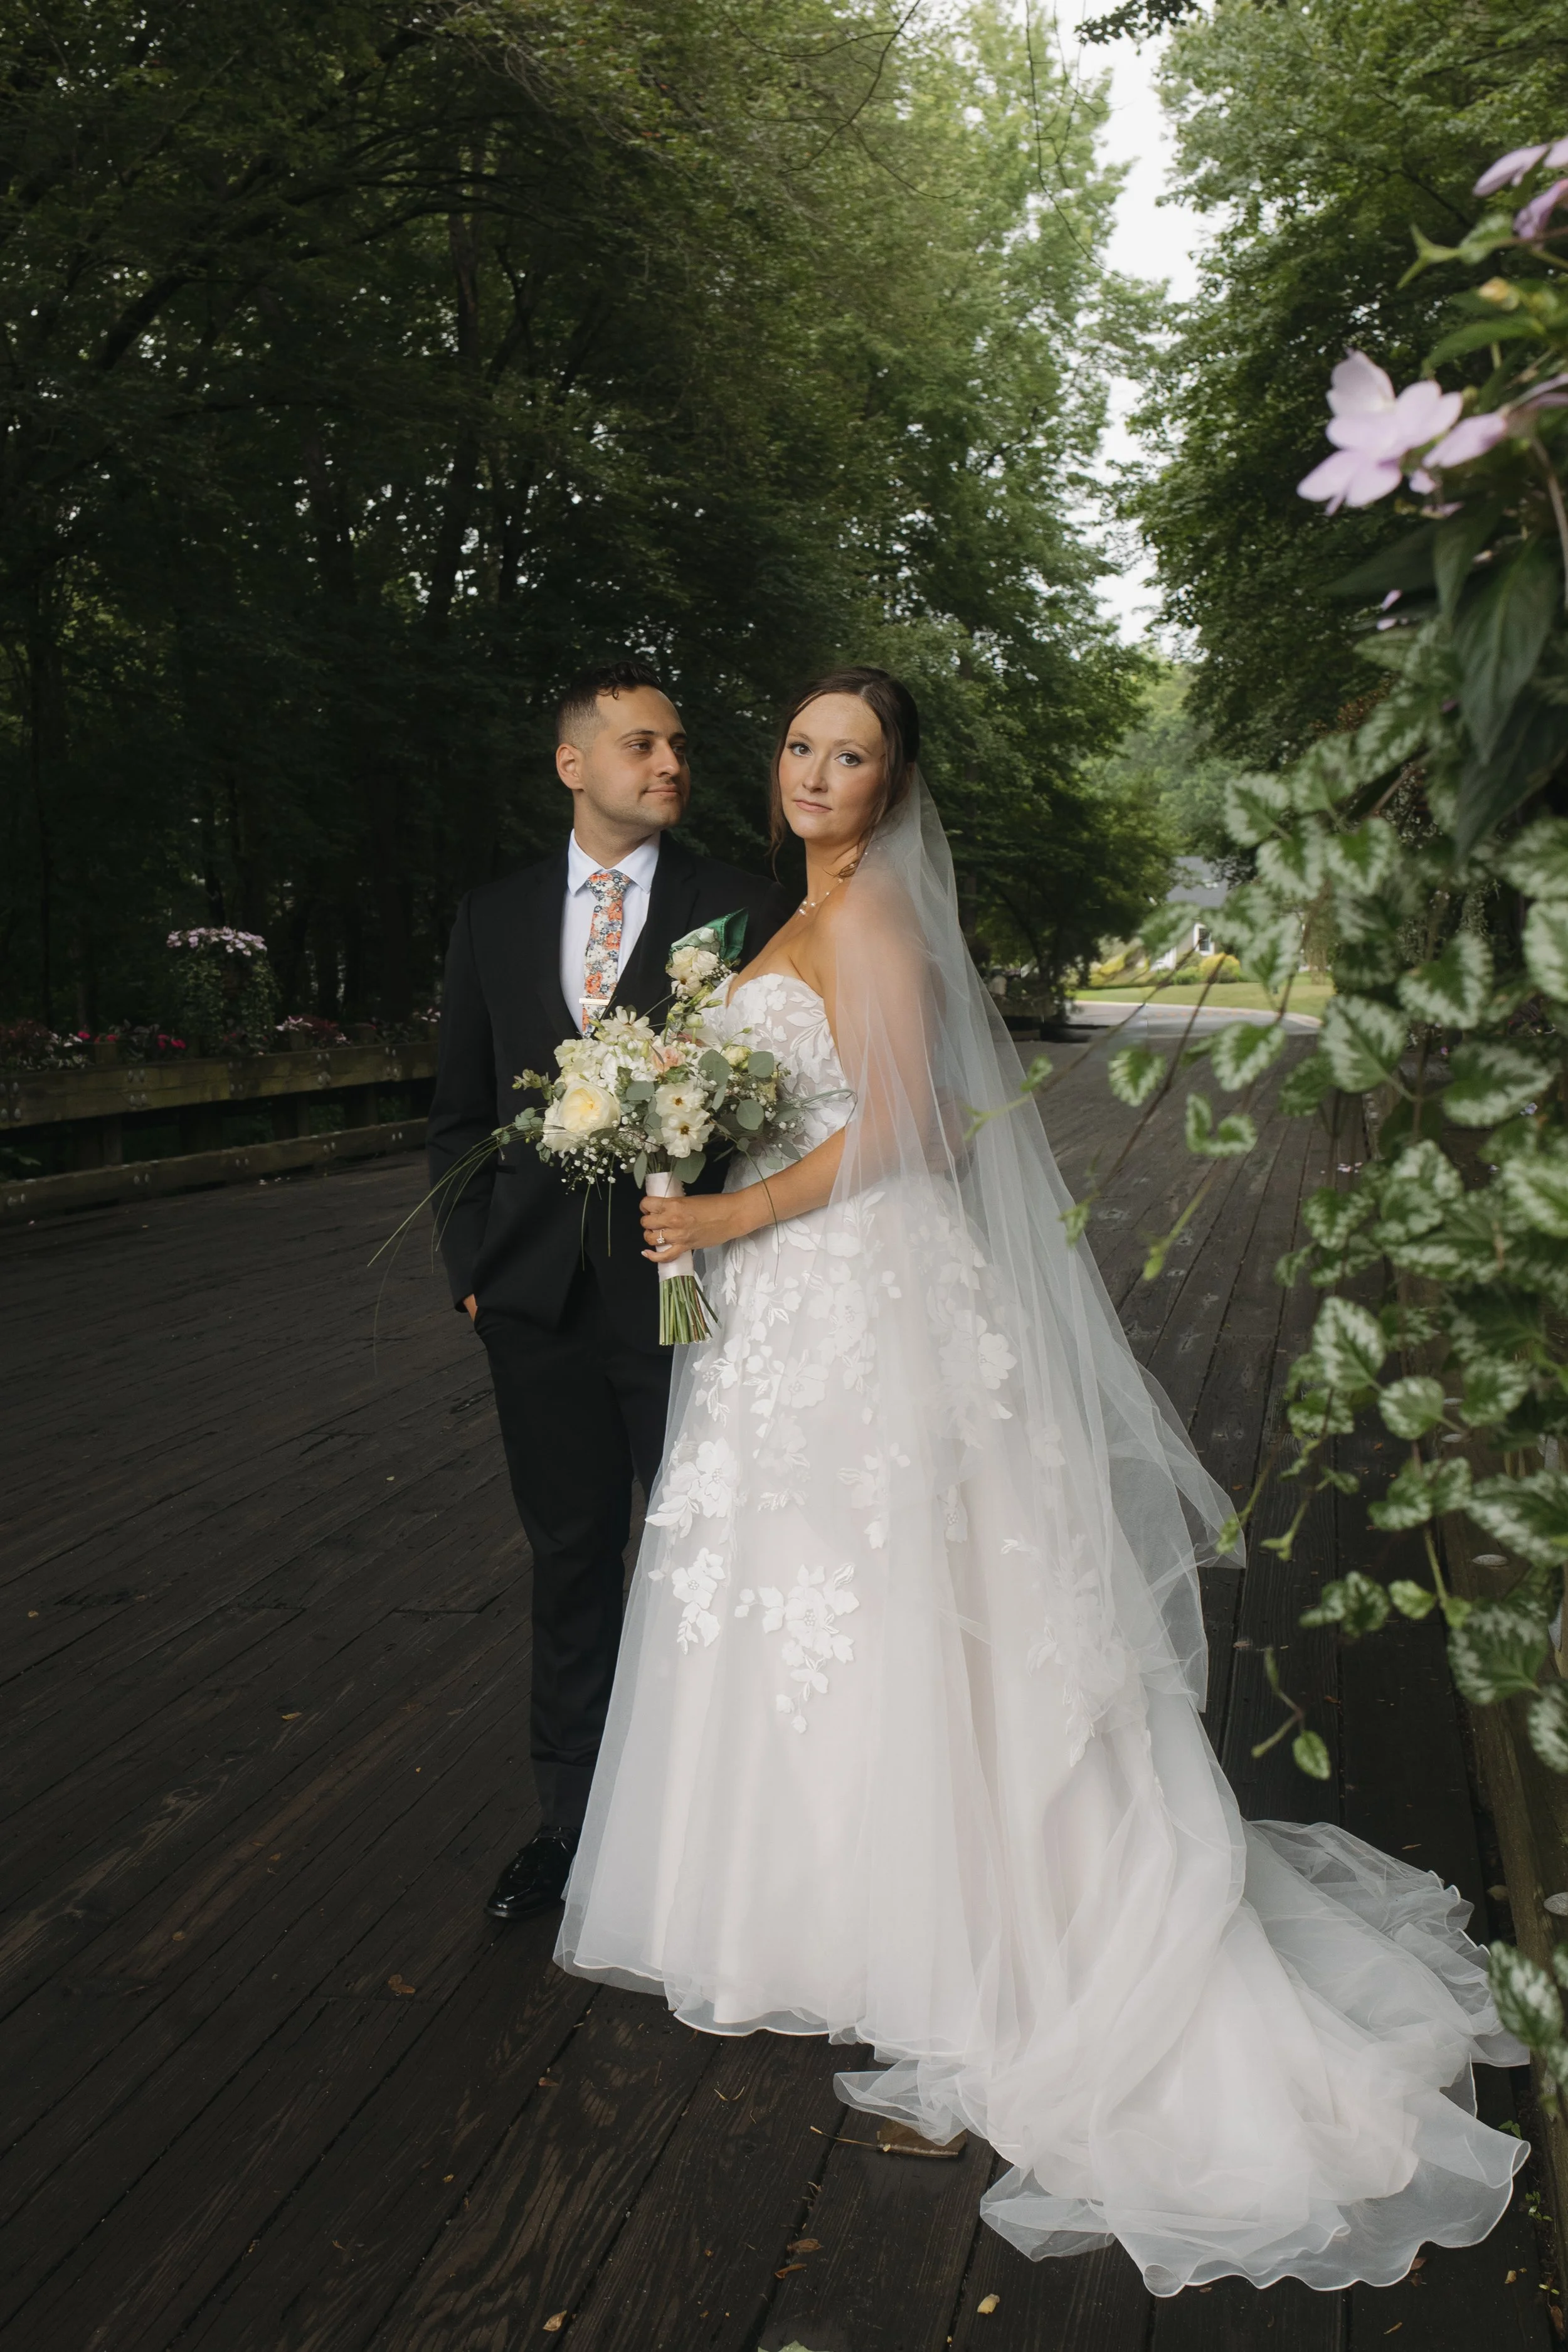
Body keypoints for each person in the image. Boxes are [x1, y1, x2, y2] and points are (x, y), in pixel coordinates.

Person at [556, 665, 1528, 2296]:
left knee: (905, 1612)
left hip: (865, 1297)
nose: (812, 769)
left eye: (848, 753)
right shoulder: (779, 920)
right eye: (798, 744)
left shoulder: (870, 925)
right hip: (785, 1313)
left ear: (894, 781)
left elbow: (917, 1129)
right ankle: (831, 1916)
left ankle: (978, 1941)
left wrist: (724, 1214)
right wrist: (679, 1152)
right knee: (811, 1611)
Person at [426, 661, 792, 1923]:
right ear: (573, 764)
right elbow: (459, 1115)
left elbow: (778, 1100)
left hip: (688, 1298)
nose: (672, 763)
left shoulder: (740, 907)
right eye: (642, 744)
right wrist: (474, 1278)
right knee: (571, 1557)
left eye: (680, 745)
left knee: (711, 1560)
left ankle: (717, 1835)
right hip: (529, 1309)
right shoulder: (493, 916)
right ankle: (571, 1833)